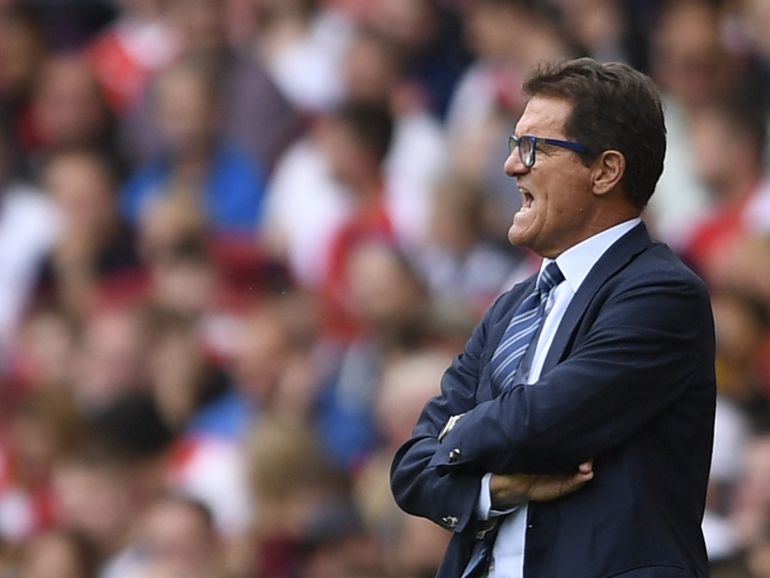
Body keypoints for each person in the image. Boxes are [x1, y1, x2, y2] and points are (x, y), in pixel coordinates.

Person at [390, 58, 716, 578]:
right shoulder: (510, 307)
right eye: (514, 144)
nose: (510, 166)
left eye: (534, 148)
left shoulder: (660, 294)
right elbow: (411, 470)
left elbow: (541, 422)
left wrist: (456, 431)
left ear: (605, 171)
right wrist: (496, 489)